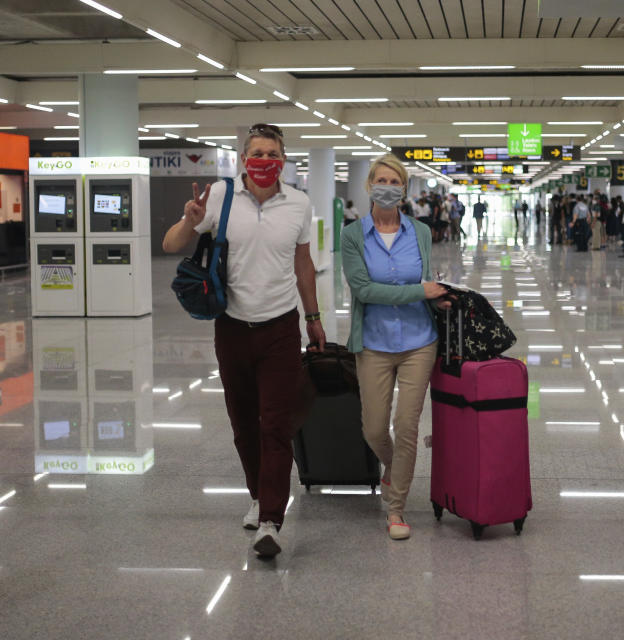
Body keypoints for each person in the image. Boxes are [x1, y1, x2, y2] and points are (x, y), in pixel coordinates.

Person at [162, 123, 325, 559]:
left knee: (275, 424)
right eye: (257, 152)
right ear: (242, 159)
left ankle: (271, 520)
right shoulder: (219, 196)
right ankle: (258, 493)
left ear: (284, 160)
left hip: (280, 328)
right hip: (231, 327)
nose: (265, 160)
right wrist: (190, 221)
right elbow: (172, 242)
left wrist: (313, 317)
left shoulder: (298, 204)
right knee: (243, 424)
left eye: (273, 153)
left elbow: (304, 263)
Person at [340, 154, 452, 540]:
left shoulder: (419, 232)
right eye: (382, 180)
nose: (388, 187)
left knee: (405, 426)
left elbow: (424, 280)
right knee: (373, 429)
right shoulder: (352, 235)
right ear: (369, 184)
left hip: (420, 341)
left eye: (396, 182)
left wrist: (438, 298)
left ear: (404, 190)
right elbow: (364, 290)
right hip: (373, 342)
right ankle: (393, 470)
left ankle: (397, 508)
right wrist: (418, 291)